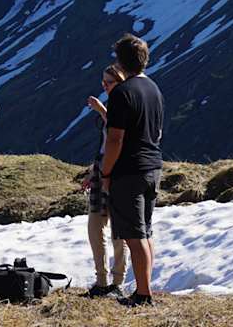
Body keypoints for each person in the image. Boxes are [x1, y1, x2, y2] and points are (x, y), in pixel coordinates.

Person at [99, 34, 164, 307]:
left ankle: (143, 294)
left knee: (133, 235)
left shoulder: (122, 94)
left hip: (129, 170)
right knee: (145, 231)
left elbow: (115, 139)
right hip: (152, 166)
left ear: (120, 61)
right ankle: (144, 289)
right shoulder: (153, 89)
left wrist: (105, 173)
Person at [81, 65, 129, 297]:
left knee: (118, 231)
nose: (105, 86)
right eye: (103, 82)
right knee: (95, 227)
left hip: (119, 173)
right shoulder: (114, 105)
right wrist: (94, 170)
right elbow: (105, 143)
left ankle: (117, 281)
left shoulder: (125, 106)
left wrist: (102, 111)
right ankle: (102, 280)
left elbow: (119, 136)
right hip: (102, 171)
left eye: (108, 83)